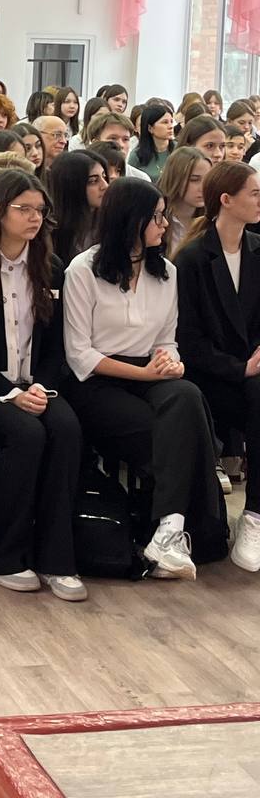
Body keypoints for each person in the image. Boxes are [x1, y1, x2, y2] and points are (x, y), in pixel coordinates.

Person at [63, 178, 224, 580]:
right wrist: (145, 372)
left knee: (186, 394)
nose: (164, 225)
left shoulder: (166, 271)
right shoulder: (83, 270)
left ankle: (168, 529)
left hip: (149, 372)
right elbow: (80, 354)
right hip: (97, 380)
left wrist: (172, 363)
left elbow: (167, 340)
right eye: (156, 217)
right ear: (130, 219)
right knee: (179, 433)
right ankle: (184, 533)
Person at [0, 170, 85, 601]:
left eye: (40, 210)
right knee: (26, 434)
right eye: (24, 209)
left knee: (66, 429)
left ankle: (56, 557)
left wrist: (41, 387)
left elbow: (56, 345)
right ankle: (3, 553)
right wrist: (8, 393)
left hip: (35, 383)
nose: (34, 218)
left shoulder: (51, 267)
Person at [175, 162, 260, 573]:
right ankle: (254, 514)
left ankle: (254, 514)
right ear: (226, 200)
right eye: (254, 193)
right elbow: (188, 340)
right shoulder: (192, 258)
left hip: (252, 372)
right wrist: (239, 368)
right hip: (209, 376)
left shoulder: (258, 250)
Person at [49, 149, 108, 267]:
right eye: (93, 181)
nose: (105, 186)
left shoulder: (110, 222)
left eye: (104, 177)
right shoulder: (50, 232)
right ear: (72, 186)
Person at [160, 146, 211, 258]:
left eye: (207, 179)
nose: (203, 187)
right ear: (175, 179)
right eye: (194, 180)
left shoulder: (212, 221)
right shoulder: (157, 219)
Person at [129, 103, 175, 182]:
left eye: (171, 122)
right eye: (165, 122)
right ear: (150, 128)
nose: (170, 126)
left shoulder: (179, 150)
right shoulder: (137, 156)